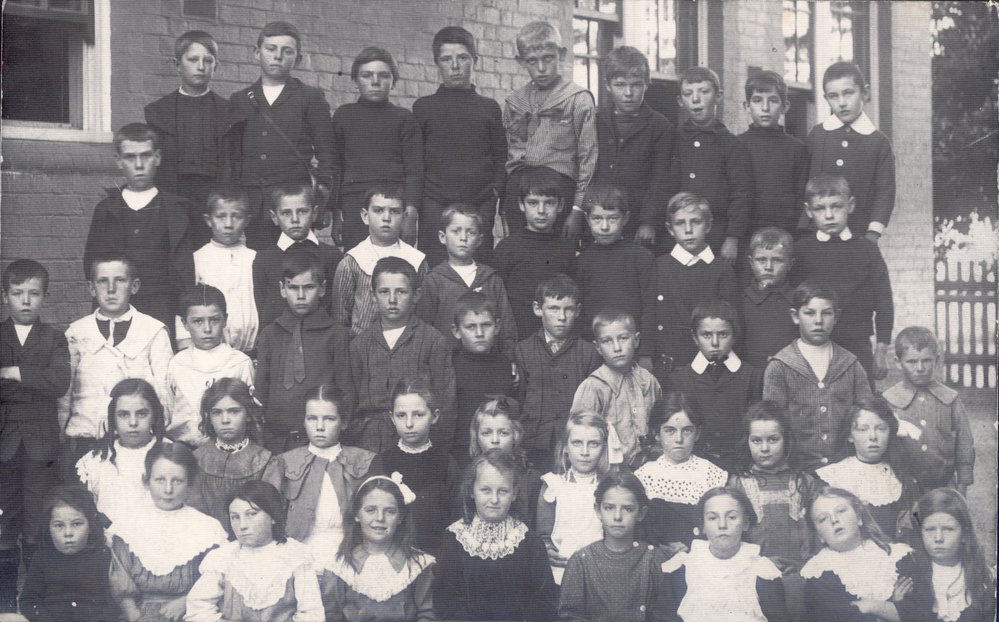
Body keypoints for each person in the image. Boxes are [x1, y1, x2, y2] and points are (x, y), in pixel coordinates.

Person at [59, 254, 174, 472]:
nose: (111, 289)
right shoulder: (77, 333)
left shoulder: (153, 331)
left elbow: (164, 392)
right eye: (102, 281)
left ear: (134, 286)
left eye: (120, 280)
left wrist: (159, 433)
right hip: (87, 439)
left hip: (137, 442)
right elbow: (65, 394)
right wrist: (62, 434)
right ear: (92, 288)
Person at [226, 20, 334, 249]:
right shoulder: (240, 99)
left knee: (299, 268)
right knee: (261, 267)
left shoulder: (310, 98)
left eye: (287, 51)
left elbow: (328, 156)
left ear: (298, 58)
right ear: (257, 53)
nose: (277, 56)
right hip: (255, 205)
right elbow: (233, 158)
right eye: (270, 49)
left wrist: (322, 203)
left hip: (295, 206)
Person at [0, 259, 70, 601]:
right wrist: (33, 379)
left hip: (41, 447)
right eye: (17, 293)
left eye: (33, 294)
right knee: (4, 517)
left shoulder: (54, 337)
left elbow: (59, 382)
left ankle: (32, 596)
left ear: (44, 297)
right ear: (5, 296)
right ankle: (3, 597)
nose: (25, 301)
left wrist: (13, 374)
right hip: (4, 443)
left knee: (36, 519)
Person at [83, 124, 195, 332]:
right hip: (114, 309)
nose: (139, 165)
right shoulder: (106, 210)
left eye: (146, 156)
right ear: (118, 161)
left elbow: (184, 271)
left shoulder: (176, 209)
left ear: (158, 157)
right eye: (130, 157)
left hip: (162, 308)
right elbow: (91, 264)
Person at [414, 25, 507, 266]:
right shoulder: (424, 108)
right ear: (437, 63)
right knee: (435, 269)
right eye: (447, 59)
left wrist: (494, 192)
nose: (455, 66)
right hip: (435, 203)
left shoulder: (488, 108)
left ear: (474, 60)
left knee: (479, 269)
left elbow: (501, 156)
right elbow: (416, 159)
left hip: (479, 202)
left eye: (462, 58)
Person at [262, 384, 381, 573]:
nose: (319, 427)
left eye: (329, 419)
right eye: (312, 418)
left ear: (343, 422)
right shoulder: (284, 463)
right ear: (303, 421)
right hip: (298, 552)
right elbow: (267, 516)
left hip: (353, 551)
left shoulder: (365, 461)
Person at [109, 442, 228, 622]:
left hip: (192, 613)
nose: (168, 490)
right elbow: (121, 585)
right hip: (137, 616)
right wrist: (136, 617)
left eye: (177, 481)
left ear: (190, 484)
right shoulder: (128, 525)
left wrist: (186, 601)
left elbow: (216, 581)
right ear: (146, 480)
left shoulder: (208, 528)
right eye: (160, 480)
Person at [793, 173, 893, 384]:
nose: (829, 215)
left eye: (836, 206)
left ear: (851, 205)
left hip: (857, 345)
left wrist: (882, 350)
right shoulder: (802, 250)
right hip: (814, 345)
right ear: (808, 211)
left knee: (861, 406)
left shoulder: (867, 250)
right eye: (820, 208)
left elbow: (884, 301)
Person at [762, 282, 874, 471]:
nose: (818, 321)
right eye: (810, 313)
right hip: (796, 469)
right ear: (795, 316)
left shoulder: (851, 365)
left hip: (846, 466)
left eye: (827, 313)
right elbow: (773, 423)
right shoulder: (780, 366)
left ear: (836, 316)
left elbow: (868, 414)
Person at [435, 450, 558, 621]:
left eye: (502, 491)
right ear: (472, 491)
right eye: (486, 490)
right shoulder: (454, 540)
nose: (494, 500)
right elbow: (446, 604)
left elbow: (544, 603)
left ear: (514, 493)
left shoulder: (529, 543)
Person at [501, 20, 596, 241]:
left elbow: (588, 159)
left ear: (561, 54)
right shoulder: (514, 102)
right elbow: (510, 153)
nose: (541, 68)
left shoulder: (578, 99)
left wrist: (577, 209)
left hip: (558, 194)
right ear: (521, 61)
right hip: (520, 195)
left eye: (548, 58)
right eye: (532, 61)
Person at [727, 401, 819, 620]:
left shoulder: (805, 482)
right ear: (747, 441)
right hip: (754, 575)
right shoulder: (737, 484)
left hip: (802, 575)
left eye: (773, 439)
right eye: (756, 441)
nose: (765, 448)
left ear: (786, 440)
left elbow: (817, 533)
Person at [254, 250, 352, 452]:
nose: (300, 296)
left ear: (322, 288)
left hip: (322, 442)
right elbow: (261, 393)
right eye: (293, 288)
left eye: (308, 287)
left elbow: (346, 392)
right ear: (282, 289)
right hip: (276, 441)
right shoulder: (269, 335)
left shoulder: (337, 335)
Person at [184, 481, 324, 621]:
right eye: (235, 517)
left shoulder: (296, 556)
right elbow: (197, 608)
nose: (242, 525)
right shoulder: (224, 558)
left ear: (273, 516)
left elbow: (312, 615)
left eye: (251, 514)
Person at [639, 192, 738, 384]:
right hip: (665, 364)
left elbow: (732, 322)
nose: (688, 230)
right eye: (680, 223)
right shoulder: (658, 266)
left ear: (708, 225)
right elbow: (648, 311)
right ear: (669, 228)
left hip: (707, 367)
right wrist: (645, 354)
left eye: (695, 222)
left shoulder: (722, 270)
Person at [332, 46, 423, 249]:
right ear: (355, 80)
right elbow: (336, 167)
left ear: (393, 81)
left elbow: (414, 170)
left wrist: (411, 215)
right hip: (354, 204)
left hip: (392, 204)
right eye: (367, 75)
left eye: (383, 75)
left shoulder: (404, 119)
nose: (375, 82)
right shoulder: (344, 116)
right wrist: (336, 214)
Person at [144, 30, 230, 244]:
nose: (200, 66)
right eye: (192, 59)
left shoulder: (229, 112)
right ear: (177, 64)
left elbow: (232, 165)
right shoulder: (159, 112)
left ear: (215, 66)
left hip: (214, 204)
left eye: (207, 60)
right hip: (173, 201)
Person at [661, 487, 789, 622]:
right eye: (712, 518)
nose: (722, 525)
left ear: (745, 523)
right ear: (703, 525)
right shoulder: (683, 568)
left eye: (732, 517)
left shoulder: (762, 570)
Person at [319, 474, 436, 621]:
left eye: (390, 511)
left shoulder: (417, 565)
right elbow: (331, 615)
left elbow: (427, 614)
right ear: (357, 514)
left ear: (400, 518)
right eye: (370, 510)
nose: (380, 518)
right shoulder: (340, 567)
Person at [512, 274, 601, 469]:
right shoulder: (522, 350)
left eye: (568, 309)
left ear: (577, 311)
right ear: (538, 309)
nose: (562, 317)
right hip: (533, 443)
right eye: (553, 308)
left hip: (573, 444)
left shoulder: (588, 353)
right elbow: (519, 399)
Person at [557, 472, 672, 622]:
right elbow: (569, 617)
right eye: (609, 507)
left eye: (628, 509)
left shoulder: (655, 560)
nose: (617, 516)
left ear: (641, 513)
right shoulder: (582, 562)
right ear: (598, 510)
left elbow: (666, 615)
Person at [591, 46, 677, 247]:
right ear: (608, 85)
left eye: (636, 85)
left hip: (638, 222)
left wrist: (648, 222)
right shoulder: (596, 122)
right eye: (620, 85)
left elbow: (660, 179)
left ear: (647, 84)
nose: (628, 93)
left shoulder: (660, 127)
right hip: (600, 219)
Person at [671, 66, 753, 261]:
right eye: (688, 94)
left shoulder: (732, 145)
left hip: (718, 236)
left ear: (718, 96)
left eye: (704, 92)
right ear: (680, 101)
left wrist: (732, 238)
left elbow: (741, 194)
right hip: (679, 235)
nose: (696, 99)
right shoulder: (672, 141)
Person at [806, 61, 896, 239]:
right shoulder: (818, 135)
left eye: (848, 93)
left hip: (859, 233)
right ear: (826, 99)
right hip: (816, 234)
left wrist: (873, 232)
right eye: (833, 96)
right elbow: (803, 181)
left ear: (865, 93)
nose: (842, 103)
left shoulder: (878, 142)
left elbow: (885, 192)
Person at [669, 301, 763, 472]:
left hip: (741, 466)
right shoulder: (680, 378)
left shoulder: (752, 376)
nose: (714, 343)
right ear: (694, 337)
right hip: (694, 467)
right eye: (706, 335)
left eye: (723, 334)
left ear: (734, 336)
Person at [882, 326, 975, 493]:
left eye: (926, 360)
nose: (920, 368)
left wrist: (962, 486)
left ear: (937, 360)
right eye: (911, 361)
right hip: (902, 489)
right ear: (897, 362)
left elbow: (964, 444)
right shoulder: (889, 401)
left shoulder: (950, 399)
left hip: (944, 485)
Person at [800, 487, 914, 622]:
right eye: (823, 518)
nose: (834, 520)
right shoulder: (819, 573)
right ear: (819, 536)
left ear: (859, 517)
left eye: (841, 511)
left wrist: (871, 606)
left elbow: (919, 613)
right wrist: (892, 606)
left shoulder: (895, 555)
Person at [417, 204, 518, 355]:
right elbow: (424, 328)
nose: (463, 238)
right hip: (447, 365)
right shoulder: (434, 280)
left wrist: (510, 358)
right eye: (456, 231)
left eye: (470, 232)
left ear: (479, 240)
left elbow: (507, 325)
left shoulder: (491, 279)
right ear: (442, 237)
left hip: (488, 363)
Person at [816, 397, 920, 541]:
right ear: (850, 436)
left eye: (881, 429)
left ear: (890, 432)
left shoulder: (900, 477)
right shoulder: (833, 477)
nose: (873, 437)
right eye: (863, 429)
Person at [333, 184, 429, 337]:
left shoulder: (417, 260)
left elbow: (423, 311)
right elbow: (340, 316)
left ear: (404, 217)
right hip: (361, 348)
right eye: (378, 210)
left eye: (394, 211)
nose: (386, 218)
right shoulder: (351, 262)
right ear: (365, 216)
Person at [493, 167, 579, 337]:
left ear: (560, 205)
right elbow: (496, 299)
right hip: (517, 338)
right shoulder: (507, 248)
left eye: (549, 203)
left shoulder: (566, 249)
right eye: (533, 203)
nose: (541, 210)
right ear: (521, 204)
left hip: (557, 339)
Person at [377, 378, 458, 557]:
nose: (409, 424)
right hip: (392, 553)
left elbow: (457, 516)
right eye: (401, 415)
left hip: (437, 553)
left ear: (434, 416)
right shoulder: (383, 462)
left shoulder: (445, 463)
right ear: (392, 417)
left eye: (418, 414)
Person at [636, 393, 727, 550]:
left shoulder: (712, 475)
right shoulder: (644, 476)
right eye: (670, 431)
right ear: (657, 433)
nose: (679, 439)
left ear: (697, 433)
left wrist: (691, 543)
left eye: (687, 431)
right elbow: (638, 529)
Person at [165, 285, 255, 446]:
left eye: (214, 320)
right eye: (198, 321)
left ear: (225, 320)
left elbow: (251, 414)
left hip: (228, 448)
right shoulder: (177, 364)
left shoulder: (240, 363)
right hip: (183, 450)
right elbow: (168, 410)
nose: (207, 329)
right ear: (185, 323)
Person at [571, 310, 662, 467]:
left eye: (623, 338)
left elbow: (660, 426)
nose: (617, 347)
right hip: (610, 474)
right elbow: (580, 437)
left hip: (651, 468)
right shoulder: (594, 387)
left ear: (636, 340)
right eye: (607, 341)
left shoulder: (648, 381)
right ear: (598, 347)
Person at [16, 484, 117, 622]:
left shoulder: (103, 557)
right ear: (48, 527)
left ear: (90, 527)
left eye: (76, 524)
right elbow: (28, 600)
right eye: (59, 525)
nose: (68, 533)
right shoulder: (42, 558)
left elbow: (113, 604)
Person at [175, 186, 259, 353]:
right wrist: (185, 343)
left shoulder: (255, 258)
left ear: (247, 221)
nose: (228, 224)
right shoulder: (197, 259)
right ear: (208, 220)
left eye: (236, 217)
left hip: (249, 348)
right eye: (221, 216)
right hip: (207, 350)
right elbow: (185, 303)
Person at [75, 379, 167, 529]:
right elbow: (87, 512)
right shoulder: (97, 460)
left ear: (154, 416)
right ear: (113, 418)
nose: (133, 422)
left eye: (141, 414)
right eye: (123, 414)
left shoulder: (170, 454)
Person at [252, 181, 343, 330]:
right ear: (274, 217)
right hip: (279, 342)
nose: (295, 219)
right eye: (286, 213)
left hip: (321, 339)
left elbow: (336, 306)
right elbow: (263, 306)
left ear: (314, 213)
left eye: (302, 211)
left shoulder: (331, 255)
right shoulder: (264, 258)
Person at [896, 488, 997, 622]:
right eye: (930, 529)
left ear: (964, 534)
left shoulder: (982, 577)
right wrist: (897, 604)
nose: (938, 538)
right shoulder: (911, 576)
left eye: (948, 529)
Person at [537, 412, 611, 585]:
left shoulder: (608, 488)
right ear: (565, 447)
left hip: (600, 570)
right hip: (561, 571)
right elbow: (543, 534)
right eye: (577, 443)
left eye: (593, 444)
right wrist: (548, 549)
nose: (584, 452)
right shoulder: (553, 485)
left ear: (604, 448)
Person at [575, 185, 655, 338]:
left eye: (612, 218)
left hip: (632, 344)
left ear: (625, 218)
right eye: (597, 218)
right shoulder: (582, 262)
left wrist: (646, 353)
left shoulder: (642, 258)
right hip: (593, 345)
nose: (605, 227)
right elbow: (580, 313)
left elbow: (650, 309)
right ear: (587, 219)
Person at [191, 378, 273, 526]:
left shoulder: (265, 461)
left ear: (248, 415)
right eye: (217, 412)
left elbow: (268, 515)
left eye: (234, 411)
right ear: (208, 416)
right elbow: (193, 514)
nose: (225, 420)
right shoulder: (196, 460)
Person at [738, 70, 809, 236]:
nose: (765, 108)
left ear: (785, 107)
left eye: (773, 101)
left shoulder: (796, 148)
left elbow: (801, 198)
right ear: (746, 106)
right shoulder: (736, 145)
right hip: (746, 233)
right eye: (757, 101)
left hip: (785, 232)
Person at [450, 293, 517, 462]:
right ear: (456, 331)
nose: (479, 333)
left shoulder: (506, 365)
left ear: (497, 326)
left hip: (500, 452)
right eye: (471, 327)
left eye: (486, 325)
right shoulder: (451, 366)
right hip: (462, 452)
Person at [467, 397, 542, 529]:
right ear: (476, 436)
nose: (495, 440)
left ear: (515, 436)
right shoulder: (470, 475)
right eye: (487, 433)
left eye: (503, 433)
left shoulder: (532, 478)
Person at [739, 227, 798, 369]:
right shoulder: (741, 301)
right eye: (761, 260)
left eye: (777, 260)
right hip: (751, 375)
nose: (768, 267)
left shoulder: (799, 302)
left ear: (790, 264)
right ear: (751, 263)